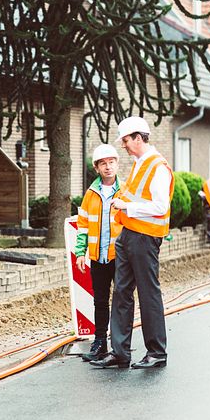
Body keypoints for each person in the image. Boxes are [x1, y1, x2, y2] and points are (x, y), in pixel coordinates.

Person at [90, 116, 174, 369]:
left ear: (138, 137)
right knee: (122, 291)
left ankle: (157, 352)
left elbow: (160, 207)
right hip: (128, 235)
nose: (124, 146)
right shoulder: (140, 163)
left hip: (145, 237)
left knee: (148, 293)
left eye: (126, 140)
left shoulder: (157, 166)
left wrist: (126, 205)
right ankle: (120, 352)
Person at [75, 144, 123, 362]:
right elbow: (83, 224)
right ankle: (100, 342)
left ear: (117, 164)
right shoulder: (91, 194)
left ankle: (120, 345)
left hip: (119, 257)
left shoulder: (126, 191)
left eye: (111, 162)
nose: (108, 167)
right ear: (96, 168)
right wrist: (81, 252)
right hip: (98, 257)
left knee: (122, 301)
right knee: (100, 301)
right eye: (103, 163)